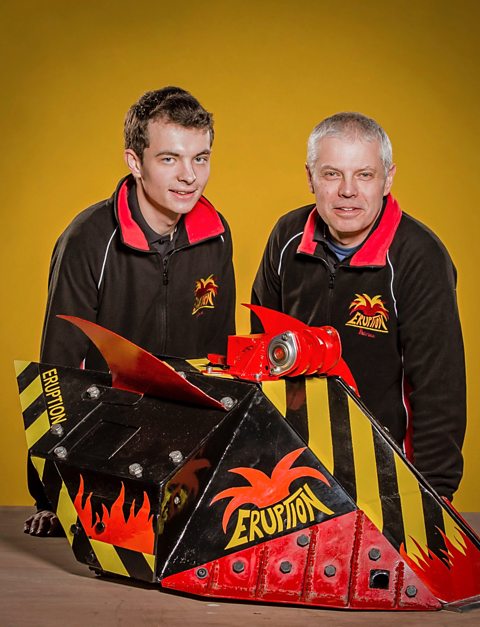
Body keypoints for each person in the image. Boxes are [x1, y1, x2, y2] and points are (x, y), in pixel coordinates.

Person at [25, 87, 236, 535]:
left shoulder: (216, 235)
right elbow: (57, 368)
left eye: (200, 158)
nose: (189, 177)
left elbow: (222, 359)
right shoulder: (86, 241)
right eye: (169, 159)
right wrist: (52, 496)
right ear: (135, 162)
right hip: (106, 451)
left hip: (186, 458)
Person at [251, 112, 465, 501]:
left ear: (388, 178)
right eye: (332, 174)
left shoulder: (419, 257)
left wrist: (434, 497)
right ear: (310, 177)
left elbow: (439, 388)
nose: (348, 190)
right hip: (294, 468)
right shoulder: (287, 237)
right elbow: (261, 353)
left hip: (388, 478)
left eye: (364, 175)